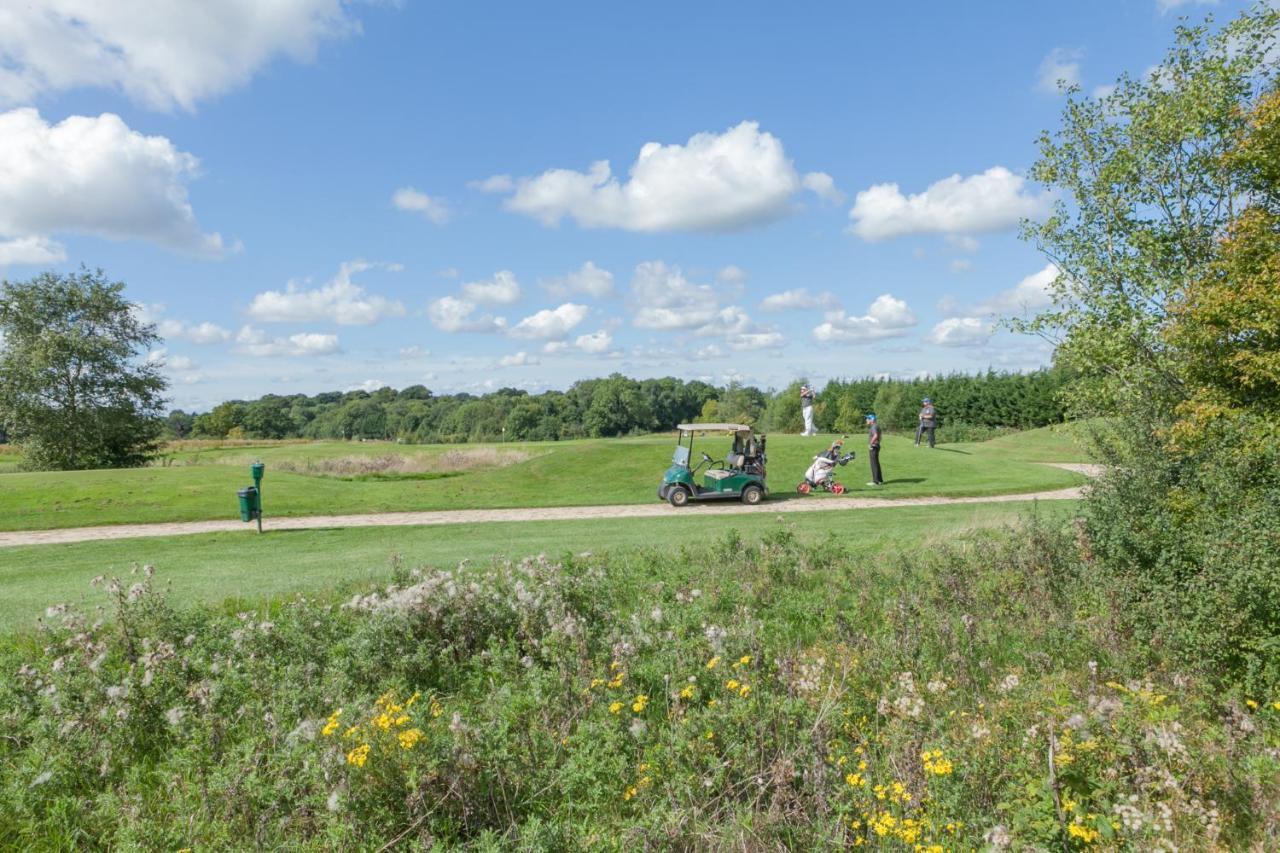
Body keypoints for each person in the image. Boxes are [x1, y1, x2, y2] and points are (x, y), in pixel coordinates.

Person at [865, 413, 883, 486]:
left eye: (868, 418)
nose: (866, 420)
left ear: (872, 419)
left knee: (874, 464)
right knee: (876, 463)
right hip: (877, 445)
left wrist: (871, 443)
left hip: (874, 446)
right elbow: (879, 437)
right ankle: (880, 480)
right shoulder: (877, 426)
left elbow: (876, 435)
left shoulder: (873, 427)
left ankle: (875, 481)